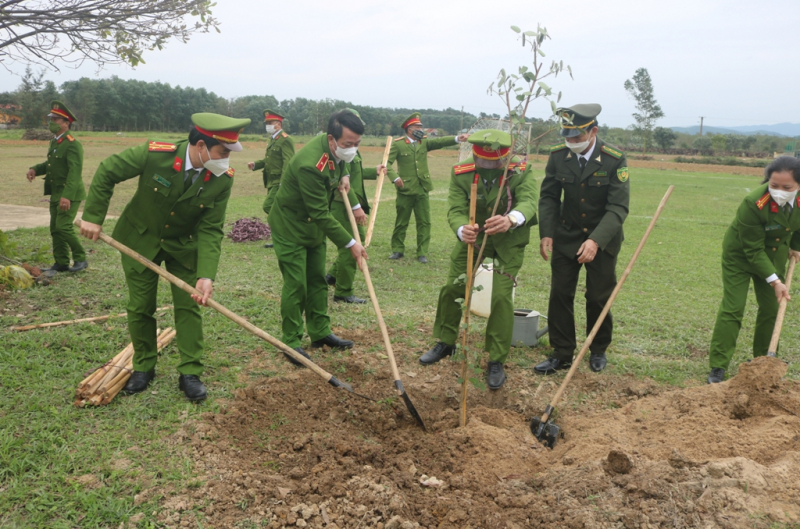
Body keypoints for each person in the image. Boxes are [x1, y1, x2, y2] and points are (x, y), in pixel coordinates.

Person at [79, 113, 251, 401]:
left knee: (189, 304)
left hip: (184, 246)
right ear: (200, 146)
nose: (226, 160)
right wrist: (93, 217)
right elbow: (108, 170)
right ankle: (143, 367)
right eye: (223, 152)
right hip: (139, 239)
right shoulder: (155, 154)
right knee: (141, 305)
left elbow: (210, 228)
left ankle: (190, 372)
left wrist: (206, 275)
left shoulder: (221, 179)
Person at [420, 130, 538, 389]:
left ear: (505, 157)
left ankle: (496, 358)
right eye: (482, 163)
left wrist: (511, 219)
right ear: (474, 154)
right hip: (474, 239)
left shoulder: (520, 171)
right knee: (453, 286)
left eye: (493, 164)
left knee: (500, 296)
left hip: (509, 240)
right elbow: (456, 208)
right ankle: (445, 341)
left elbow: (530, 201)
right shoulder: (461, 172)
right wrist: (463, 229)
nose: (487, 168)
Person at [535, 104, 630, 375]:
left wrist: (596, 241)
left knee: (598, 297)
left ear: (593, 131)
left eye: (576, 138)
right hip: (567, 235)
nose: (571, 143)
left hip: (603, 238)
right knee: (560, 294)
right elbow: (549, 197)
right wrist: (547, 232)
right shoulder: (558, 156)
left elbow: (618, 208)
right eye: (567, 137)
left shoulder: (614, 159)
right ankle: (561, 353)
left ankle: (597, 349)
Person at [268, 109, 367, 365]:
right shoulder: (309, 164)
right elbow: (321, 212)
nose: (352, 149)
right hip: (290, 226)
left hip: (313, 227)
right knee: (296, 284)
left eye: (357, 144)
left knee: (316, 280)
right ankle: (291, 342)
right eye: (348, 144)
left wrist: (345, 178)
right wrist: (351, 244)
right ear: (332, 139)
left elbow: (341, 165)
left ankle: (320, 333)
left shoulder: (337, 150)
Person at [707, 156, 800, 383]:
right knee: (733, 308)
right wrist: (775, 281)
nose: (779, 191)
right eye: (773, 185)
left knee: (771, 309)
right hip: (740, 255)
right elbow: (753, 250)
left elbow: (796, 226)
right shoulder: (753, 202)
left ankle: (764, 363)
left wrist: (796, 247)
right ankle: (718, 366)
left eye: (786, 187)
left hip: (774, 254)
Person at [385, 112, 469, 263]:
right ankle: (397, 250)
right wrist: (395, 177)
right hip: (405, 189)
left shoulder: (423, 142)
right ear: (409, 128)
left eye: (421, 126)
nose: (421, 129)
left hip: (422, 188)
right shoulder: (398, 144)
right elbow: (386, 163)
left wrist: (457, 138)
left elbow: (440, 142)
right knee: (401, 221)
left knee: (424, 222)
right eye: (417, 126)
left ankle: (422, 252)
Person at [325, 108, 385, 304]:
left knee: (353, 244)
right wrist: (356, 207)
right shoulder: (341, 150)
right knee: (350, 247)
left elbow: (354, 173)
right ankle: (343, 292)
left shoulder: (351, 149)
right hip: (342, 204)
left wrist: (373, 171)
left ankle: (333, 276)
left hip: (349, 204)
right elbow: (343, 184)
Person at [26, 100, 87, 276]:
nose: (51, 122)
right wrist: (35, 169)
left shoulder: (72, 144)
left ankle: (81, 258)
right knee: (55, 228)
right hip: (56, 193)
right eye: (51, 118)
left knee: (64, 226)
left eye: (55, 119)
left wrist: (67, 195)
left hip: (69, 193)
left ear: (66, 123)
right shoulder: (55, 142)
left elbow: (75, 172)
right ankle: (61, 262)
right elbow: (51, 165)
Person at [247, 109, 295, 248]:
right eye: (266, 123)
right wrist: (256, 164)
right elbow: (269, 160)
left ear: (278, 124)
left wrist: (284, 182)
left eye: (270, 122)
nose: (267, 125)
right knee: (277, 210)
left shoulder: (286, 140)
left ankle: (289, 232)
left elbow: (288, 162)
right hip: (271, 180)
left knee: (269, 207)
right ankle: (280, 239)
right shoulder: (273, 139)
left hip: (279, 181)